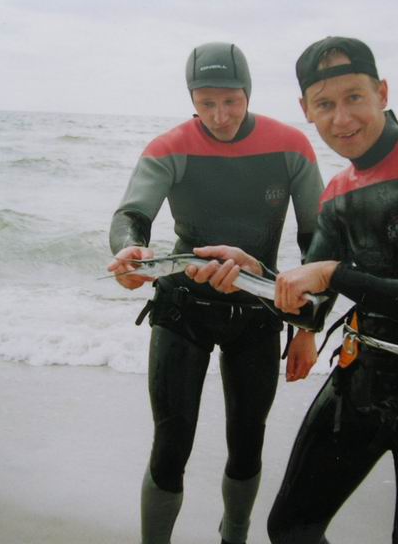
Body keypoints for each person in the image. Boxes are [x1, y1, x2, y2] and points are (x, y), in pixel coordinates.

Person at [188, 36, 398, 543]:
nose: (341, 118)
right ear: (306, 110)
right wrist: (253, 275)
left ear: (382, 92)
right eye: (325, 104)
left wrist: (335, 274)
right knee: (291, 529)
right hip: (365, 369)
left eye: (354, 97)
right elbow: (310, 303)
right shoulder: (339, 192)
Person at [107, 41, 325, 544]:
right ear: (191, 98)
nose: (220, 116)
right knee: (171, 444)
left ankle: (235, 536)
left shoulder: (290, 146)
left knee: (247, 444)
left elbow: (317, 243)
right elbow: (131, 216)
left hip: (258, 310)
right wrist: (129, 252)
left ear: (249, 93)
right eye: (206, 103)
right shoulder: (170, 147)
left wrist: (306, 328)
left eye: (231, 101)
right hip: (183, 309)